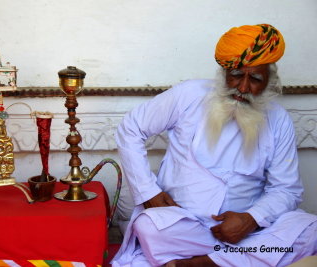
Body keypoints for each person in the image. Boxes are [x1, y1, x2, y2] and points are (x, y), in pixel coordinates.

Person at [111, 24, 317, 267]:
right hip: (185, 227)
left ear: (270, 81)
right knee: (149, 227)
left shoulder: (278, 119)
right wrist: (149, 192)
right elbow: (130, 128)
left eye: (256, 79)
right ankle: (233, 261)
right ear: (224, 72)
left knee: (310, 230)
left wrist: (251, 219)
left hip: (249, 234)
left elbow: (287, 189)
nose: (243, 88)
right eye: (237, 75)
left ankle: (195, 265)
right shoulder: (189, 94)